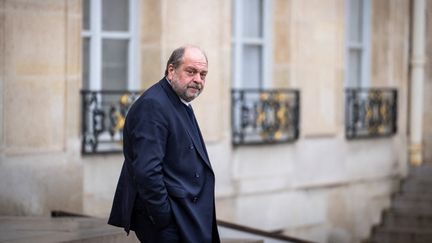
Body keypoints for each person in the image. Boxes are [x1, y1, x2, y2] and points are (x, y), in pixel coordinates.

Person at [108, 45, 220, 243]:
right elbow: (147, 171)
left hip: (185, 215)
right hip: (169, 222)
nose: (198, 80)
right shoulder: (153, 105)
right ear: (171, 71)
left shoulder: (177, 100)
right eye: (191, 71)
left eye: (203, 74)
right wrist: (163, 218)